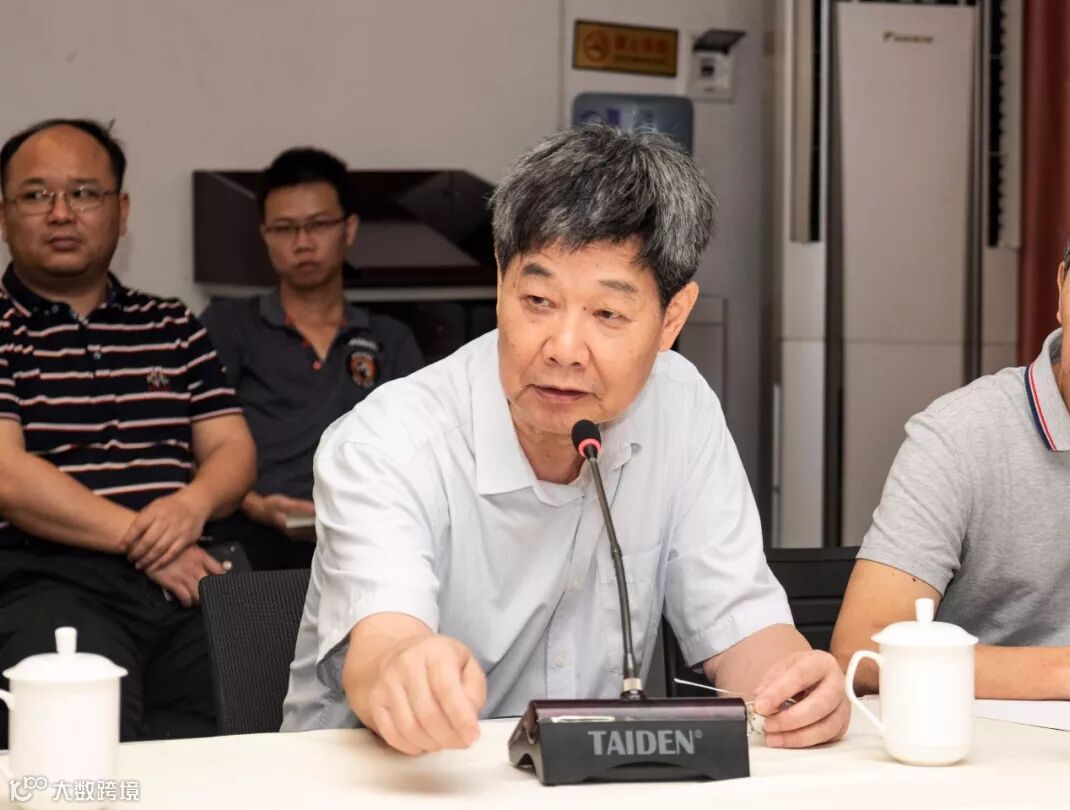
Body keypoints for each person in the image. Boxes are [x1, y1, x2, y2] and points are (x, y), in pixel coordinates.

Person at [281, 124, 850, 753]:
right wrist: (407, 669)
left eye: (607, 313)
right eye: (537, 299)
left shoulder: (680, 406)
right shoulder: (387, 443)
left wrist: (794, 687)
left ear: (672, 318)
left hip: (588, 779)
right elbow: (384, 646)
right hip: (390, 779)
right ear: (500, 281)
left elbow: (742, 627)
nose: (564, 349)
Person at [0, 119, 256, 744]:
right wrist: (144, 541)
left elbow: (232, 449)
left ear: (122, 211)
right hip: (45, 582)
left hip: (188, 575)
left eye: (84, 193)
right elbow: (7, 476)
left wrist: (192, 505)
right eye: (36, 195)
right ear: (4, 217)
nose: (62, 213)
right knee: (77, 748)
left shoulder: (172, 324)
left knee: (270, 722)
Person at [832, 221, 1070, 701]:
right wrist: (1068, 671)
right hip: (977, 736)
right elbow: (860, 649)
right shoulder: (960, 434)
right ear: (1060, 291)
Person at [200, 148, 422, 570]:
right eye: (284, 228)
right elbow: (189, 443)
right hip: (248, 544)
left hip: (366, 544)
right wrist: (254, 504)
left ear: (349, 229)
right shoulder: (228, 326)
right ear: (265, 235)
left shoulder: (391, 340)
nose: (302, 243)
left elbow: (420, 455)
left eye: (318, 224)